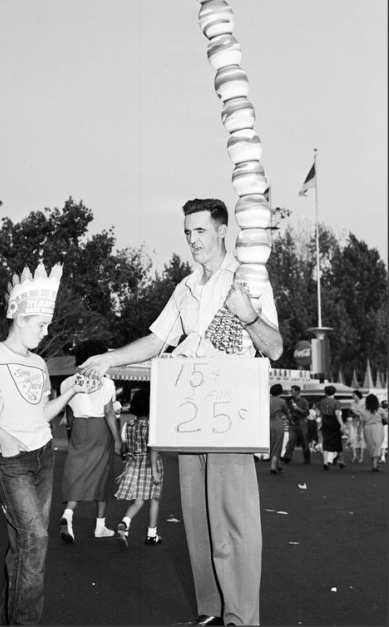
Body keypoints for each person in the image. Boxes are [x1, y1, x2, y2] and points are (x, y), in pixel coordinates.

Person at [80, 198, 283, 627]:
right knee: (197, 520)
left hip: (230, 415)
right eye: (188, 232)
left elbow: (275, 346)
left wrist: (247, 316)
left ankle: (241, 618)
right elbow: (157, 340)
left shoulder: (246, 278)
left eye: (201, 231)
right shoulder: (186, 287)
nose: (192, 240)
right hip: (190, 413)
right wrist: (109, 358)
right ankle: (211, 611)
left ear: (223, 230)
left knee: (234, 523)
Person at [0, 262, 103, 625]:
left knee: (23, 545)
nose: (45, 331)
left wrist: (69, 390)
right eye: (41, 324)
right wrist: (4, 438)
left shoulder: (39, 362)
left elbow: (42, 413)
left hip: (42, 455)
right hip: (9, 460)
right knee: (37, 538)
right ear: (21, 318)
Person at [59, 339, 122, 543]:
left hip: (78, 427)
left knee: (77, 471)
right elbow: (109, 413)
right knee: (102, 474)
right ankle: (100, 525)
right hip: (100, 429)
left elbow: (68, 414)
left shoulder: (67, 383)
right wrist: (118, 440)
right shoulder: (106, 383)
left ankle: (68, 514)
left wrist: (71, 433)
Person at [115, 387, 163, 547]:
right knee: (154, 499)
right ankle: (152, 534)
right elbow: (153, 450)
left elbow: (124, 447)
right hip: (150, 464)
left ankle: (125, 523)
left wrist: (124, 456)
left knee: (138, 500)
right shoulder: (152, 427)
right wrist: (155, 472)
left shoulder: (127, 425)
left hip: (134, 464)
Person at [316, 385, 346, 470]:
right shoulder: (336, 402)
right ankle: (341, 460)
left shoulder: (321, 401)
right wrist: (342, 424)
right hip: (334, 421)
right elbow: (337, 414)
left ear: (325, 392)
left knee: (326, 441)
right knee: (337, 441)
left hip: (325, 420)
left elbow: (318, 414)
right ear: (334, 392)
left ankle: (325, 461)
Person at [281, 385, 311, 465]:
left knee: (304, 440)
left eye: (292, 391)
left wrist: (298, 409)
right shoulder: (289, 400)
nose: (291, 393)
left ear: (297, 392)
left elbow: (307, 412)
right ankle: (287, 456)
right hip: (293, 422)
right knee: (291, 440)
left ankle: (307, 458)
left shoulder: (304, 401)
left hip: (301, 421)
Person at [360, 393, 387, 472]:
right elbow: (386, 418)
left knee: (371, 445)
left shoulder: (363, 411)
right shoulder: (380, 410)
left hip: (367, 428)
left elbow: (361, 424)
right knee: (377, 445)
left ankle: (374, 462)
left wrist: (359, 433)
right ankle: (375, 463)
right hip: (378, 427)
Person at [268, 383, 292, 474]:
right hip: (278, 423)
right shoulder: (282, 401)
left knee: (271, 443)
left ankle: (278, 464)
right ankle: (273, 465)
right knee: (278, 444)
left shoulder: (267, 400)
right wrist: (291, 421)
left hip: (267, 423)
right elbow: (287, 413)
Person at [348, 389, 365, 463]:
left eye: (354, 395)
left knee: (361, 439)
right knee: (353, 438)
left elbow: (364, 414)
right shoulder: (352, 403)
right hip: (354, 422)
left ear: (358, 396)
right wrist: (353, 414)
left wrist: (358, 414)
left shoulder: (363, 402)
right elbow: (349, 413)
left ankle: (361, 457)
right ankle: (355, 456)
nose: (353, 396)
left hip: (361, 422)